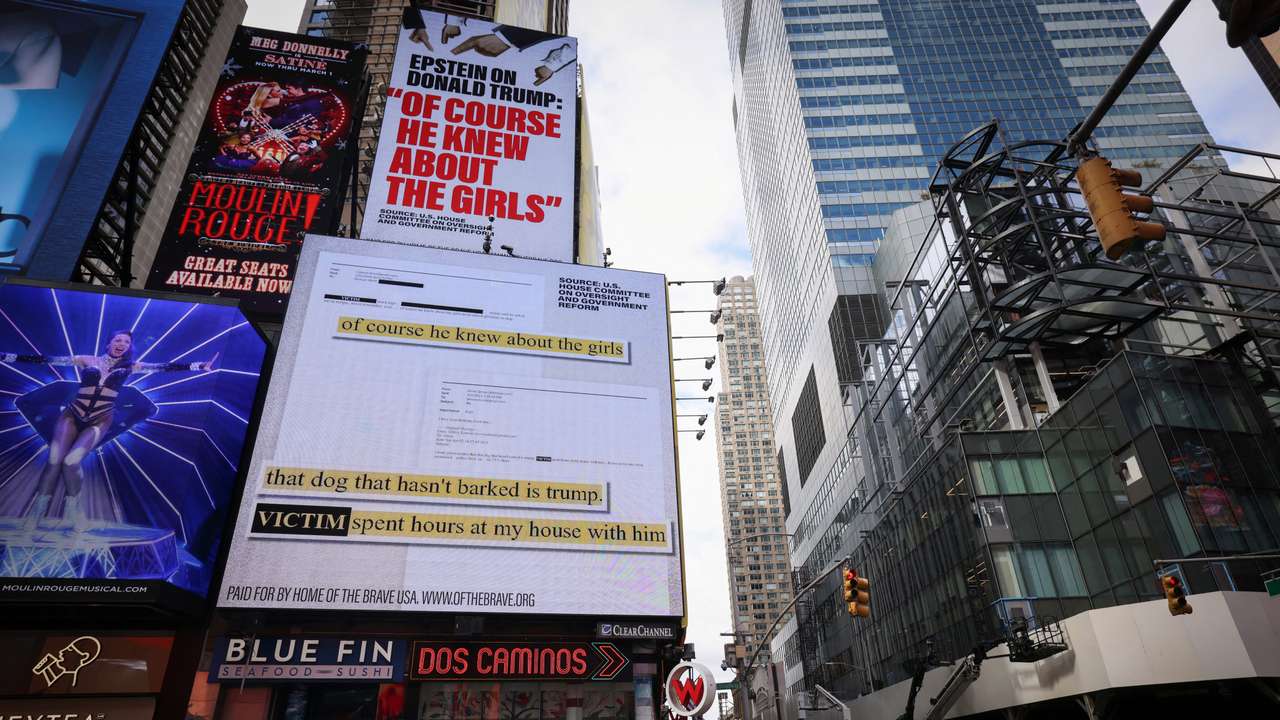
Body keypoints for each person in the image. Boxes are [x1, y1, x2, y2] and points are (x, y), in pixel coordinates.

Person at [2, 330, 216, 530]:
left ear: (129, 347)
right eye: (118, 340)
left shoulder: (132, 366)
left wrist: (199, 366)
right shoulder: (87, 360)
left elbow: (164, 368)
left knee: (71, 461)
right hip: (72, 415)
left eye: (126, 342)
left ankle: (73, 512)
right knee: (55, 459)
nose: (121, 344)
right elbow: (46, 360)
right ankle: (35, 514)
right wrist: (6, 357)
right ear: (109, 343)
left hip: (100, 419)